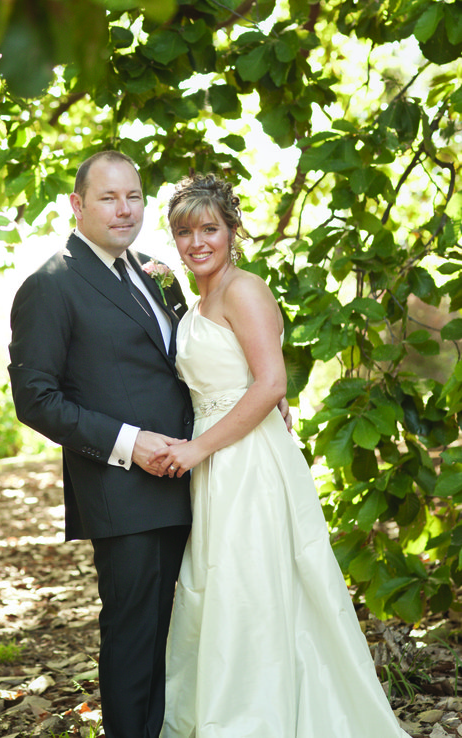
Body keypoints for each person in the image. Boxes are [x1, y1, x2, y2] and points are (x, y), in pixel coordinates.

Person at [150, 173, 412, 738]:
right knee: (218, 588)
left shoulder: (244, 288)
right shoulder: (199, 298)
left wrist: (198, 448)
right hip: (217, 461)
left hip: (246, 462)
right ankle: (229, 704)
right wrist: (164, 280)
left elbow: (269, 385)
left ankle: (261, 717)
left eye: (210, 229)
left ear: (233, 231)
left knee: (252, 585)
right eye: (184, 232)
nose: (197, 242)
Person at [8, 151, 195, 738]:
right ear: (76, 205)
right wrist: (130, 443)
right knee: (135, 634)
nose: (123, 209)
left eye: (133, 196)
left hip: (193, 474)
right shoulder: (51, 285)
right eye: (108, 198)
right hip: (123, 489)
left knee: (185, 628)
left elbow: (187, 361)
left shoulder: (159, 272)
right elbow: (36, 397)